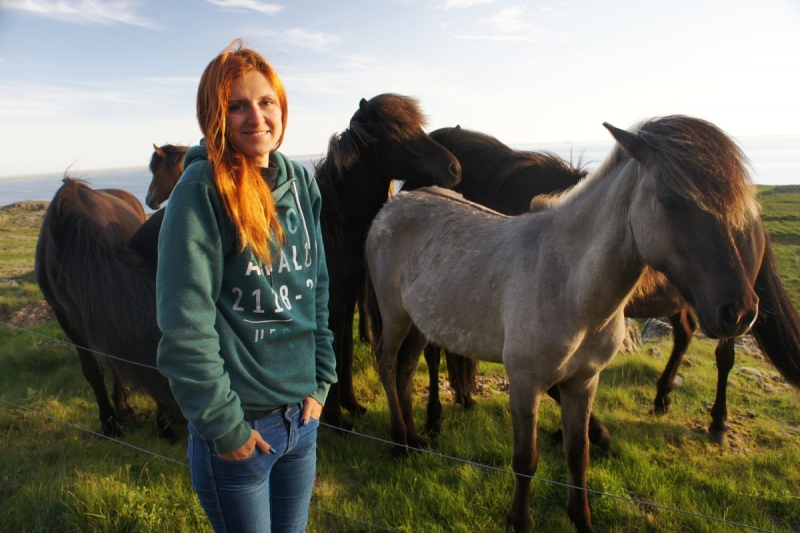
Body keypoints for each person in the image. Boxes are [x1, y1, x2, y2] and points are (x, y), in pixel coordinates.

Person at [156, 39, 337, 533]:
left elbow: (315, 287)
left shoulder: (301, 183)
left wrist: (321, 382)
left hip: (301, 422)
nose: (256, 117)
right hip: (240, 435)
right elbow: (183, 323)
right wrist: (223, 425)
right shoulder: (200, 192)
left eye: (266, 102)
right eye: (236, 106)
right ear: (215, 117)